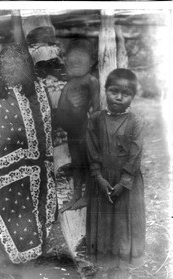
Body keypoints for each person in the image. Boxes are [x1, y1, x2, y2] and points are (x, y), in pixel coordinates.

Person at [0, 10, 57, 265]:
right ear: (0, 68)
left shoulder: (38, 90)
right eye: (7, 66)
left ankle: (31, 258)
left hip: (35, 169)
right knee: (2, 209)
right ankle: (0, 263)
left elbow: (45, 127)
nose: (12, 70)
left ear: (27, 68)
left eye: (19, 66)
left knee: (33, 209)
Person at [86, 68, 145, 279]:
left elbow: (135, 154)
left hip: (125, 183)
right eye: (113, 91)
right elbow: (92, 151)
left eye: (125, 93)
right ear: (105, 91)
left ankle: (121, 267)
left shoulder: (135, 122)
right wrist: (98, 177)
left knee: (122, 223)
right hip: (102, 179)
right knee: (104, 222)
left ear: (132, 97)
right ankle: (104, 264)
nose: (118, 97)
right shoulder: (95, 119)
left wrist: (124, 182)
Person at [57, 38, 100, 212]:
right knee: (76, 163)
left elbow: (96, 107)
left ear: (91, 63)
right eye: (72, 61)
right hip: (73, 132)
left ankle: (88, 195)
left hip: (86, 131)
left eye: (80, 61)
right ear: (66, 62)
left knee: (88, 164)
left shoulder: (91, 81)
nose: (75, 64)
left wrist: (92, 125)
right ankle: (76, 195)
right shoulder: (68, 85)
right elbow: (61, 110)